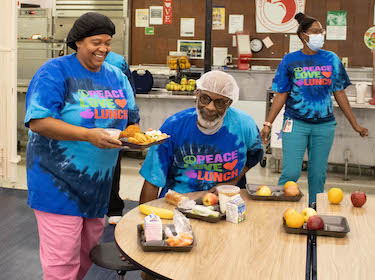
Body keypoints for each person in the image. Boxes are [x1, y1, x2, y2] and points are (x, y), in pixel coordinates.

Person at [24, 12, 139, 280]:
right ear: (78, 42)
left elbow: (131, 122)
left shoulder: (116, 76)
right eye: (96, 42)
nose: (103, 49)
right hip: (56, 182)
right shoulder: (55, 71)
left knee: (86, 256)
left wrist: (134, 138)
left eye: (108, 43)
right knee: (62, 263)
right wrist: (88, 135)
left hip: (97, 185)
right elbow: (38, 121)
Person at [260, 13, 368, 205]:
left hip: (324, 126)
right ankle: (280, 209)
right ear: (303, 35)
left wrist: (355, 125)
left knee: (318, 174)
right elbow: (281, 94)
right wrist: (268, 123)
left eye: (321, 32)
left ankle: (313, 212)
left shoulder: (331, 59)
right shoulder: (289, 60)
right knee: (291, 172)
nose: (320, 35)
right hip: (295, 123)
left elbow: (340, 94)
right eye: (315, 32)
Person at [139, 70, 263, 204]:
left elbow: (255, 155)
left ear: (229, 103)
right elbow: (153, 178)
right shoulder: (173, 127)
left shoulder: (244, 125)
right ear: (197, 94)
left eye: (220, 102)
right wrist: (146, 219)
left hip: (228, 203)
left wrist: (231, 182)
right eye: (205, 98)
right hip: (178, 202)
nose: (210, 107)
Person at [105, 51, 139, 225]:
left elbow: (129, 92)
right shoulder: (71, 66)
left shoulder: (117, 62)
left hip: (113, 122)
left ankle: (114, 207)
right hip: (85, 123)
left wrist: (133, 121)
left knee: (113, 164)